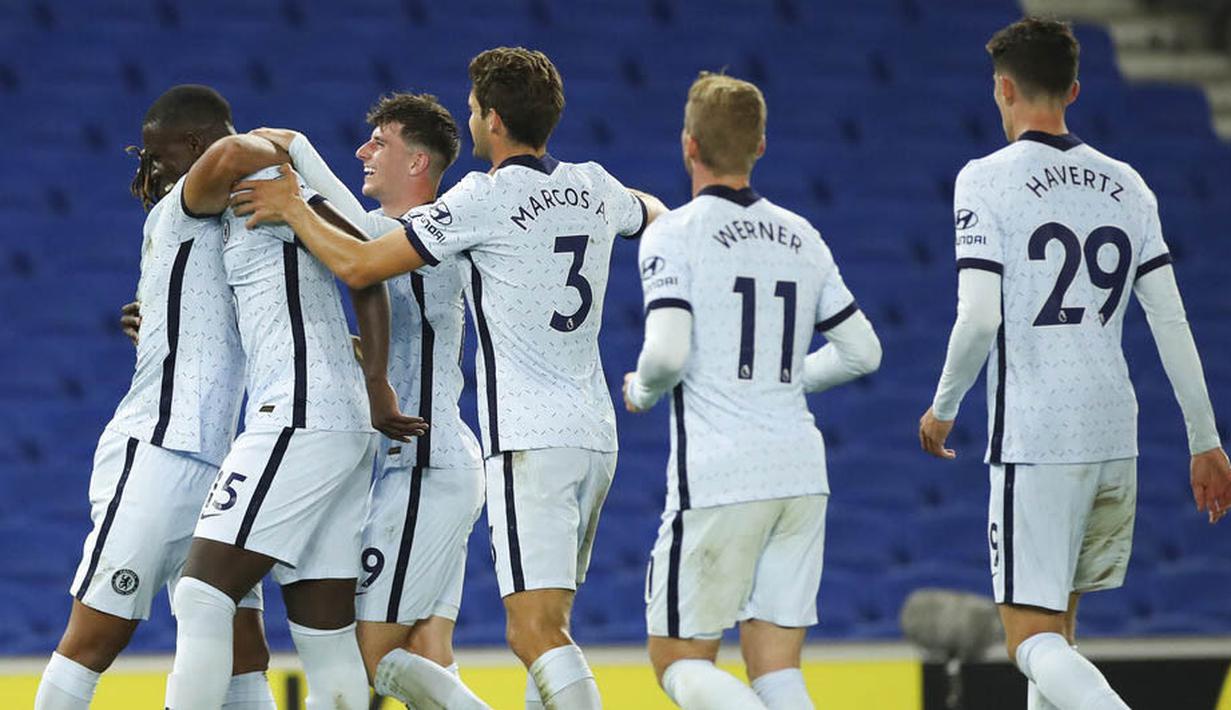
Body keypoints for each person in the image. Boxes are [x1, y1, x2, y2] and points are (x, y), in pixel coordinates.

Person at [230, 46, 667, 709]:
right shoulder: (595, 184)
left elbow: (361, 260)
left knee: (491, 639)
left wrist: (295, 202)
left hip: (514, 442)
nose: (470, 119)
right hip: (593, 434)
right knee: (527, 630)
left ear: (493, 120)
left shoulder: (481, 200)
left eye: (473, 109)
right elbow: (656, 215)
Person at [918, 17, 1231, 710]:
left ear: (1004, 89)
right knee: (1058, 633)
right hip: (1113, 433)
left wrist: (943, 407)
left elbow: (979, 317)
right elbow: (1170, 321)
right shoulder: (1128, 184)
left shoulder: (985, 180)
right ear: (1075, 91)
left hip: (1038, 436)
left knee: (1028, 641)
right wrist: (1205, 439)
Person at [621, 72, 882, 710]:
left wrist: (642, 390)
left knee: (678, 661)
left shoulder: (673, 232)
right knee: (775, 670)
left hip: (722, 476)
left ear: (688, 145)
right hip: (800, 472)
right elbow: (863, 352)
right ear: (760, 146)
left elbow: (667, 353)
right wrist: (786, 377)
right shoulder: (802, 235)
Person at [161, 115, 426, 709]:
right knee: (324, 635)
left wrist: (378, 379)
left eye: (162, 156)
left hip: (301, 413)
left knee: (201, 595)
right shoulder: (220, 219)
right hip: (331, 424)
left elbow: (366, 263)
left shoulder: (260, 181)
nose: (161, 173)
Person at [34, 85, 278, 710]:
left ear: (190, 143)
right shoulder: (181, 207)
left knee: (243, 649)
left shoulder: (237, 222)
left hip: (223, 464)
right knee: (97, 636)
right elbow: (230, 156)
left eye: (157, 155)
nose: (151, 169)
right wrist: (296, 152)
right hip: (159, 451)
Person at [253, 90, 489, 709]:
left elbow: (354, 242)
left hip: (423, 466)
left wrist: (298, 154)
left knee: (373, 657)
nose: (362, 152)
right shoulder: (418, 239)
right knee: (428, 652)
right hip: (439, 460)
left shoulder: (420, 233)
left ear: (417, 162)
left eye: (379, 143)